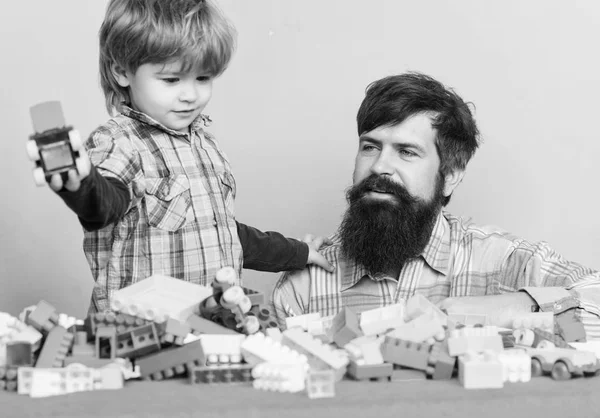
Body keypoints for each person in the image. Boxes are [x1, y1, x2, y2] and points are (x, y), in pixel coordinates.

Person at [45, 0, 333, 314]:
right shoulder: (120, 142)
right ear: (121, 72)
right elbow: (104, 205)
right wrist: (80, 184)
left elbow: (222, 234)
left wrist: (297, 253)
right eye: (171, 80)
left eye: (203, 78)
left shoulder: (205, 145)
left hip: (211, 326)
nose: (190, 95)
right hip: (144, 334)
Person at [272, 72, 600, 338]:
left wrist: (515, 306)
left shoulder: (500, 262)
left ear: (451, 176)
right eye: (370, 147)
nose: (379, 167)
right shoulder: (305, 286)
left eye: (407, 151)